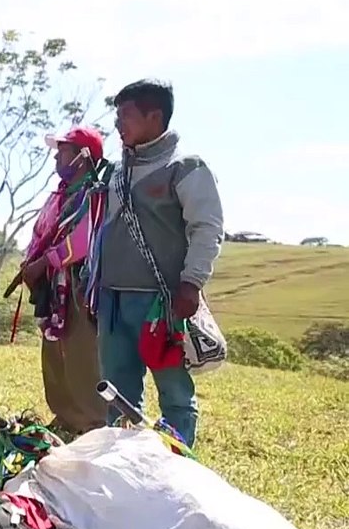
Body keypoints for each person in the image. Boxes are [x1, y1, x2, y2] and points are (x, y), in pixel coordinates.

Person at [92, 79, 224, 446]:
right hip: (113, 300)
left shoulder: (186, 167)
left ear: (155, 116)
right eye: (117, 115)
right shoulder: (118, 173)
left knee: (175, 394)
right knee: (116, 393)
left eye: (126, 115)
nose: (119, 124)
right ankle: (121, 469)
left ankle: (177, 469)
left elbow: (207, 228)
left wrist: (192, 282)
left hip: (160, 303)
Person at [14, 126, 109, 435]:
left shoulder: (95, 194)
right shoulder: (60, 194)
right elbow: (42, 232)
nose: (57, 155)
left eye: (63, 150)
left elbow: (83, 241)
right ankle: (65, 415)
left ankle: (91, 421)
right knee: (55, 351)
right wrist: (31, 263)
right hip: (53, 285)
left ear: (82, 156)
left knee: (81, 352)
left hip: (79, 284)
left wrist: (45, 262)